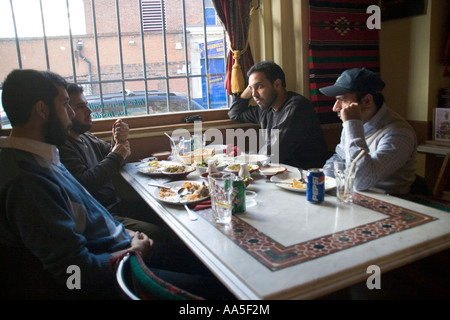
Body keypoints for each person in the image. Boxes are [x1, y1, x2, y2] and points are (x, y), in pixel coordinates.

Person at [0, 69, 233, 299]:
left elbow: (89, 214)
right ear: (42, 110)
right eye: (65, 105)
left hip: (124, 244)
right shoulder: (27, 181)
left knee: (215, 262)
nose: (71, 114)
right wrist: (131, 253)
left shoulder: (43, 156)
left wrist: (127, 232)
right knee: (222, 288)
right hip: (119, 270)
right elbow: (74, 274)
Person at [59, 84, 168, 242]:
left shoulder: (85, 136)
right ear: (66, 111)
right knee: (157, 233)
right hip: (102, 214)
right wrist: (117, 153)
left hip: (117, 205)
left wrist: (120, 141)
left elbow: (115, 156)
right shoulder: (63, 147)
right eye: (80, 107)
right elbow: (85, 183)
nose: (89, 111)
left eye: (87, 105)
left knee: (163, 210)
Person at [319, 67, 417, 195]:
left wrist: (352, 124)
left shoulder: (399, 133)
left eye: (342, 100)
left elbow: (361, 181)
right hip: (352, 198)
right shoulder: (354, 123)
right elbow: (339, 157)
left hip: (388, 205)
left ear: (367, 101)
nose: (335, 108)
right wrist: (323, 181)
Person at [228, 60, 329, 170]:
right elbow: (235, 113)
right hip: (280, 175)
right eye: (251, 89)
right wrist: (252, 85)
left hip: (305, 178)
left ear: (277, 84)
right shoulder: (265, 108)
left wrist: (243, 164)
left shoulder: (297, 107)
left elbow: (272, 152)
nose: (254, 95)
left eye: (260, 86)